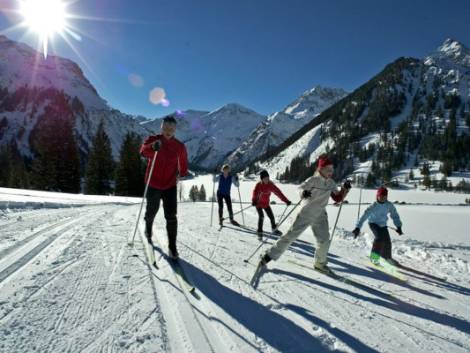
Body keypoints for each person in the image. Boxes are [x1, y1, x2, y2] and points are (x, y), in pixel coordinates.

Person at [258, 156, 351, 274]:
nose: (330, 172)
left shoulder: (331, 183)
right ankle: (268, 255)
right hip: (306, 212)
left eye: (332, 169)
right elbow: (299, 188)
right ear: (321, 169)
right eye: (328, 169)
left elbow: (337, 198)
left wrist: (345, 189)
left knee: (324, 240)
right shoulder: (313, 180)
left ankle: (320, 263)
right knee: (291, 235)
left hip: (320, 215)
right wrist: (303, 193)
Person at [140, 116, 188, 259]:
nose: (168, 131)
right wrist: (151, 147)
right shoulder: (154, 139)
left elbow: (183, 160)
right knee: (151, 211)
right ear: (161, 127)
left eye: (171, 128)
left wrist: (183, 172)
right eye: (166, 128)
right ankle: (148, 229)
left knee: (171, 216)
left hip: (170, 185)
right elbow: (143, 152)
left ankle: (172, 247)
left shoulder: (179, 146)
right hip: (153, 183)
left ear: (175, 130)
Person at [352, 186, 403, 265]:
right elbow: (364, 216)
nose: (382, 198)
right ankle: (374, 258)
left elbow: (394, 215)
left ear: (387, 197)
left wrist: (398, 226)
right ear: (377, 196)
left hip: (383, 225)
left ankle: (387, 257)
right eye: (380, 196)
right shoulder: (373, 206)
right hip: (373, 223)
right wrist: (357, 227)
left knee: (387, 241)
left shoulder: (389, 205)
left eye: (384, 196)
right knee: (379, 238)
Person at [252, 170, 291, 239]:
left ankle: (274, 229)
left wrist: (286, 201)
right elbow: (254, 193)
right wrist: (254, 201)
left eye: (267, 178)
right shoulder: (258, 185)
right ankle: (259, 232)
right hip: (258, 204)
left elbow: (279, 193)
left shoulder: (271, 185)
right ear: (262, 179)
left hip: (266, 204)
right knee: (261, 217)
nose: (267, 180)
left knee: (272, 217)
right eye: (265, 178)